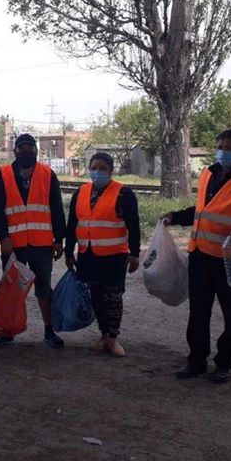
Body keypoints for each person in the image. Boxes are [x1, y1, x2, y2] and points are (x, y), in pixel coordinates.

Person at [163, 129, 231, 384]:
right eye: (220, 145)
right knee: (198, 312)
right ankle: (196, 361)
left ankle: (225, 364)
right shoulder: (208, 174)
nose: (223, 151)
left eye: (229, 148)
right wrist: (176, 217)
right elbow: (202, 211)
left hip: (230, 260)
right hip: (200, 256)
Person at [0, 133, 67, 348]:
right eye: (21, 148)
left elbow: (57, 209)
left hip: (42, 244)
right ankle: (7, 332)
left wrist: (59, 239)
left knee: (44, 288)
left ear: (36, 151)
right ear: (15, 152)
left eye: (30, 148)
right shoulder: (3, 175)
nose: (26, 152)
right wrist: (3, 237)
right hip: (13, 244)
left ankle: (49, 331)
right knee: (12, 290)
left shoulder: (47, 175)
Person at [65, 152, 141, 357]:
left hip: (114, 256)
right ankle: (103, 335)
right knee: (96, 297)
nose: (97, 172)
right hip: (88, 254)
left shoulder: (124, 194)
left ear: (111, 171)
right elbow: (72, 223)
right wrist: (68, 252)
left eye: (102, 169)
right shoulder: (80, 193)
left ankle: (113, 338)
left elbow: (134, 225)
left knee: (113, 298)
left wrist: (135, 253)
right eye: (94, 168)